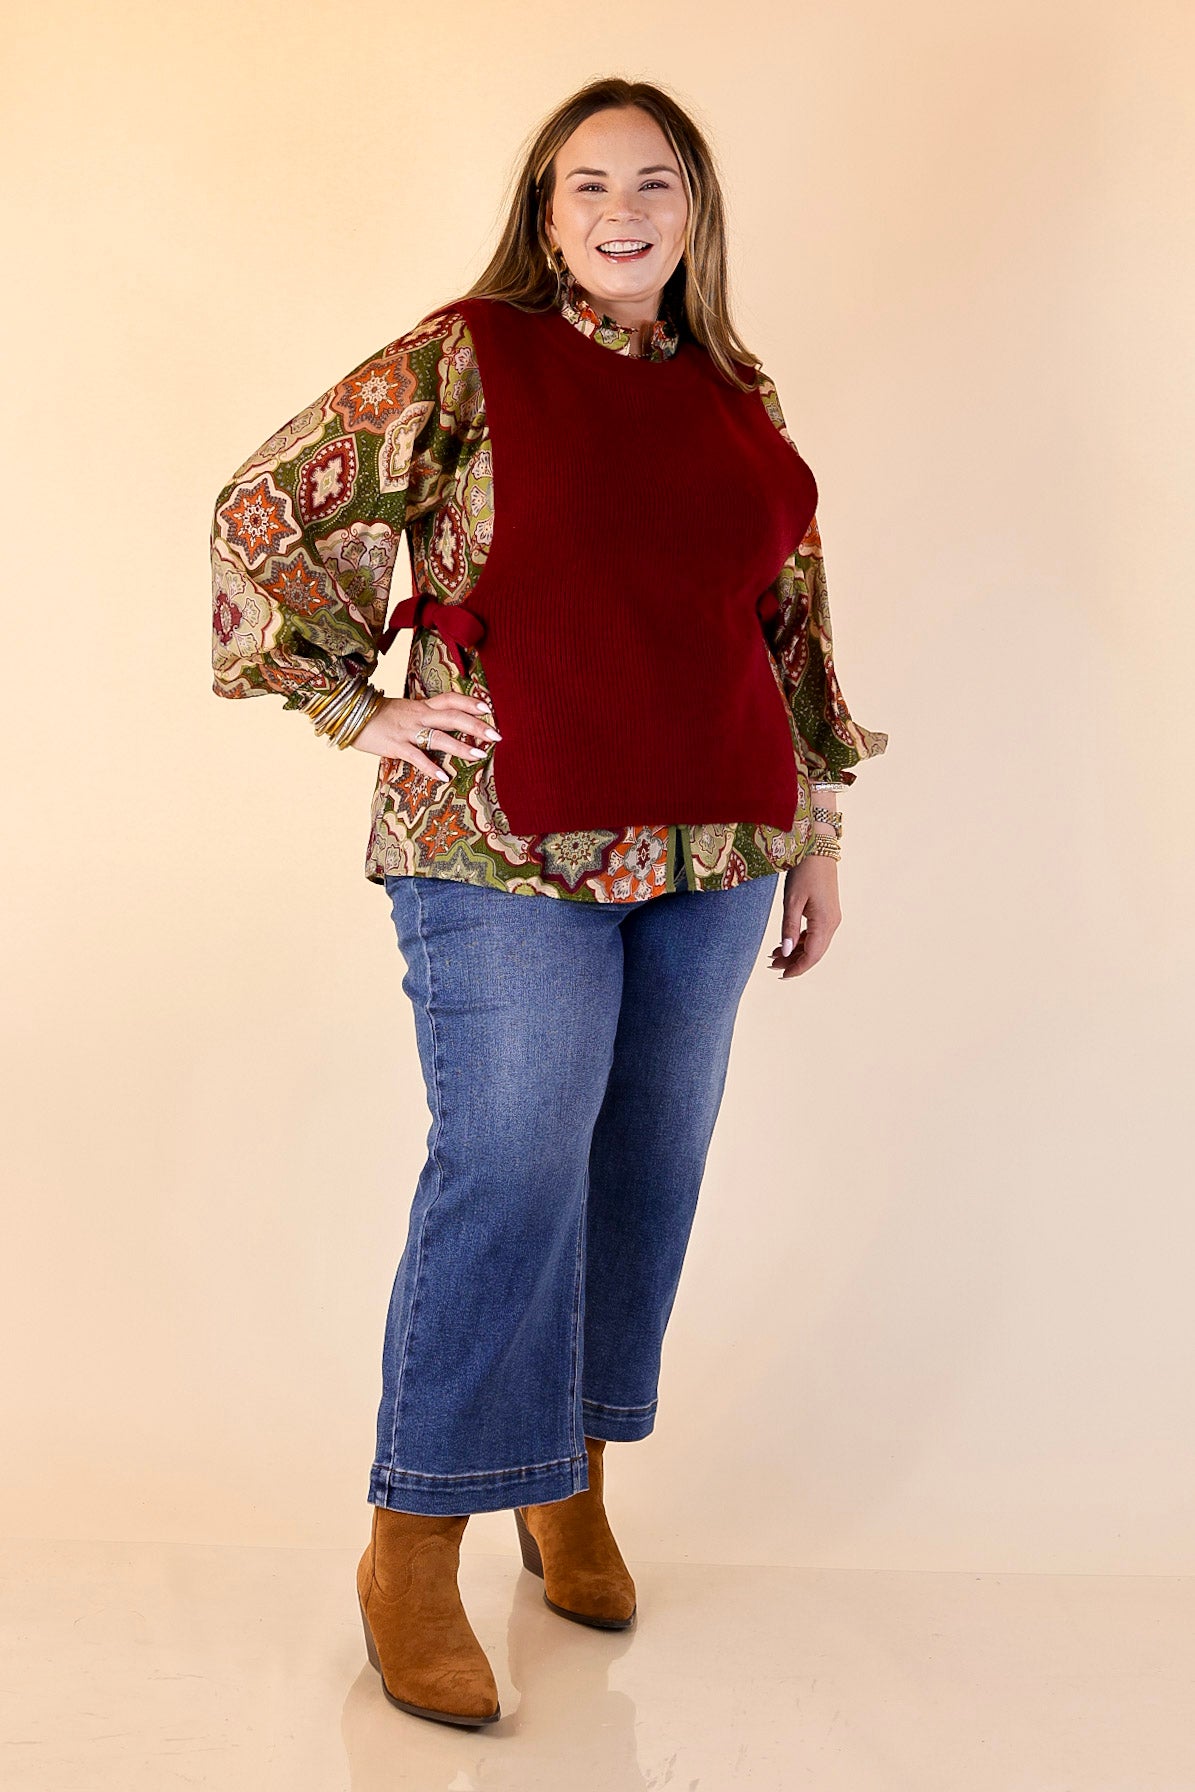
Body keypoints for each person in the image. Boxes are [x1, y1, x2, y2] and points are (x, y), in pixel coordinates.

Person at [210, 75, 888, 1731]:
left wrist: (815, 830)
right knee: (511, 1161)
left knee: (644, 1168)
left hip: (712, 847)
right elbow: (264, 513)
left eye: (655, 183)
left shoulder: (737, 391)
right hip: (502, 847)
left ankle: (566, 1475)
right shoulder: (466, 359)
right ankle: (417, 1535)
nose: (623, 212)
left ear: (694, 209)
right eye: (590, 184)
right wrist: (359, 706)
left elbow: (787, 621)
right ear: (544, 210)